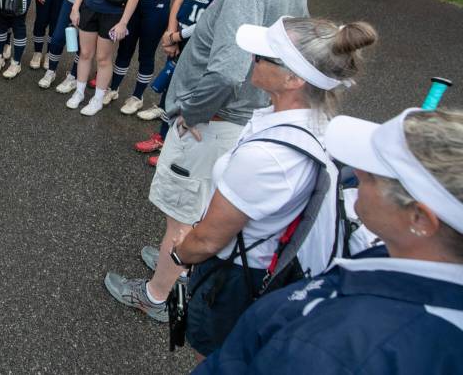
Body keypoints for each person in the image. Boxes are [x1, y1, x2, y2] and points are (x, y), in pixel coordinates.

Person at [106, 0, 308, 324]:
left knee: (183, 213)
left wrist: (189, 112)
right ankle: (170, 261)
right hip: (244, 117)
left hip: (212, 122)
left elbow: (227, 70)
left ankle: (157, 293)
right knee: (197, 206)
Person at [161, 17, 377, 355]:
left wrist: (181, 251)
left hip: (234, 277)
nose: (252, 59)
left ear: (293, 78)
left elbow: (208, 240)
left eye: (262, 57)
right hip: (269, 264)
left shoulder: (266, 156)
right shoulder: (314, 123)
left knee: (222, 355)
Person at [198, 107, 463, 373]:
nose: (357, 171)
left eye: (373, 173)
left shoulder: (335, 350)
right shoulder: (398, 258)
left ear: (420, 218)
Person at [135, 0, 228, 165]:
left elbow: (210, 20)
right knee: (171, 89)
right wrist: (170, 32)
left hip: (200, 43)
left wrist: (176, 36)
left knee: (191, 94)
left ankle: (177, 148)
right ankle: (163, 137)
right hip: (179, 36)